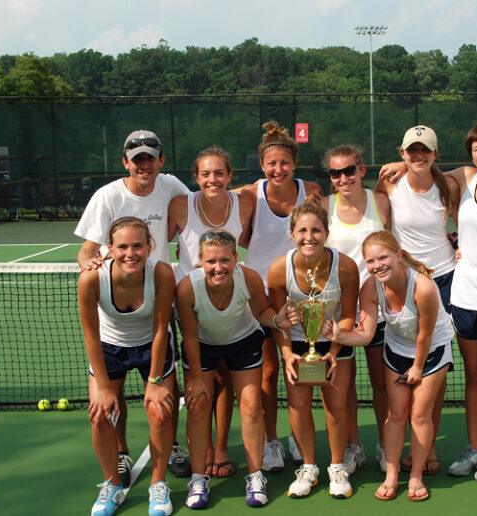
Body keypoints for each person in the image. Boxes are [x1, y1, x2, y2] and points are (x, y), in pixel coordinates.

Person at [75, 130, 192, 486]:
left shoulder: (172, 186)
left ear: (161, 162)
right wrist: (92, 269)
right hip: (115, 310)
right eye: (137, 159)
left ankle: (171, 446)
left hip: (156, 298)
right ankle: (122, 451)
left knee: (164, 396)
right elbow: (86, 251)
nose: (144, 165)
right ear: (125, 162)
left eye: (150, 158)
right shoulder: (107, 196)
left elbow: (201, 206)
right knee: (109, 398)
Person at [322, 230, 454, 502]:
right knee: (396, 414)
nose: (376, 265)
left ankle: (415, 476)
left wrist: (417, 368)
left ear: (399, 255)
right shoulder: (370, 287)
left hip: (431, 351)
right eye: (370, 261)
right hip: (396, 349)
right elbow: (367, 334)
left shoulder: (424, 286)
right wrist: (339, 336)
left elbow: (425, 334)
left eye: (383, 257)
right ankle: (392, 476)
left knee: (419, 414)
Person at [176, 230, 294, 508]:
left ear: (236, 259)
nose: (218, 268)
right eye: (211, 262)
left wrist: (276, 321)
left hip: (243, 342)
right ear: (201, 261)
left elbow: (262, 313)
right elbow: (190, 337)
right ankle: (197, 478)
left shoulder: (249, 279)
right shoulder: (187, 288)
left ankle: (254, 477)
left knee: (251, 406)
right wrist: (196, 378)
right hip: (202, 346)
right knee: (198, 405)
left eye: (225, 261)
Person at [78, 217, 177, 516]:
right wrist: (105, 388)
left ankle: (158, 485)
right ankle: (111, 486)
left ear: (150, 247)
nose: (130, 253)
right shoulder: (91, 278)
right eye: (122, 247)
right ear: (109, 249)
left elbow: (162, 329)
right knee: (99, 416)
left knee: (160, 412)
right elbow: (91, 335)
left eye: (137, 246)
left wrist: (156, 380)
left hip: (152, 345)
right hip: (108, 348)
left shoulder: (161, 273)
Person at [376, 124, 459, 476]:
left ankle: (430, 447)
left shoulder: (450, 187)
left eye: (425, 150)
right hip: (403, 281)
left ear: (435, 154)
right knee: (405, 365)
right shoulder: (390, 186)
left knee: (433, 371)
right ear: (402, 152)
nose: (418, 155)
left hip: (444, 281)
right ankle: (401, 447)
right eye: (412, 150)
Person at [266, 193, 360, 499]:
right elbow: (280, 319)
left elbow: (348, 314)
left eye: (316, 230)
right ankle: (308, 467)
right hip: (296, 345)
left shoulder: (345, 267)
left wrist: (334, 351)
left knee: (336, 406)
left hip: (336, 344)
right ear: (292, 234)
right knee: (298, 405)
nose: (309, 237)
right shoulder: (279, 270)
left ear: (327, 233)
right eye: (302, 231)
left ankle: (337, 466)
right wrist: (287, 353)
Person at [241, 121, 322, 472]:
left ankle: (297, 436)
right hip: (259, 299)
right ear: (263, 165)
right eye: (272, 164)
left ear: (295, 163)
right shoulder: (248, 195)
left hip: (302, 298)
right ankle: (271, 440)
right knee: (268, 373)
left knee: (303, 371)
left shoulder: (313, 191)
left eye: (285, 163)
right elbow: (243, 237)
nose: (279, 169)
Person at [168, 146, 252, 480]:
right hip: (191, 308)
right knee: (198, 390)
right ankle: (199, 461)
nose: (212, 179)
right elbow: (157, 245)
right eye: (205, 174)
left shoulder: (245, 202)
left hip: (231, 309)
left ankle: (220, 449)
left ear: (230, 176)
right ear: (196, 177)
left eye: (219, 173)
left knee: (225, 380)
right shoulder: (179, 205)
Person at [322, 144, 392, 474]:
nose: (343, 178)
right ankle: (353, 447)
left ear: (361, 170)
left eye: (349, 170)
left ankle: (384, 444)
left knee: (382, 382)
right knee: (343, 385)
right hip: (341, 314)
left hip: (379, 309)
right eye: (336, 173)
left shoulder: (380, 202)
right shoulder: (324, 207)